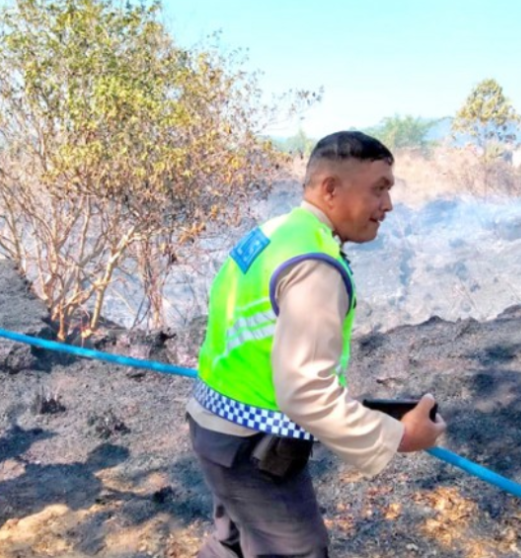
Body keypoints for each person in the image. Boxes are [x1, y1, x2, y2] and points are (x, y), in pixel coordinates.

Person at [187, 131, 448, 557]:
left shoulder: (273, 233)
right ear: (330, 188)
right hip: (252, 448)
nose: (388, 205)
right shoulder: (316, 267)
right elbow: (305, 394)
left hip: (211, 426)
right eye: (379, 188)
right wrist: (400, 435)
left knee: (229, 544)